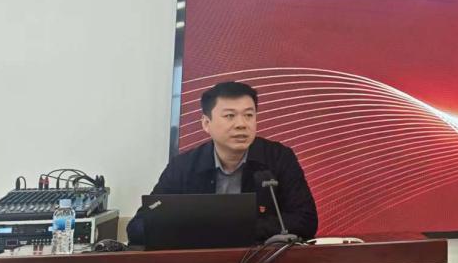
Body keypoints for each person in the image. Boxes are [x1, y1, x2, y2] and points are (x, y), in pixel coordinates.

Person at [127, 81, 318, 245]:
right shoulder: (183, 167)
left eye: (249, 115)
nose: (241, 124)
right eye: (229, 116)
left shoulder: (278, 158)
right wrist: (204, 230)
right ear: (206, 123)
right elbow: (138, 227)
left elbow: (306, 220)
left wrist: (233, 228)